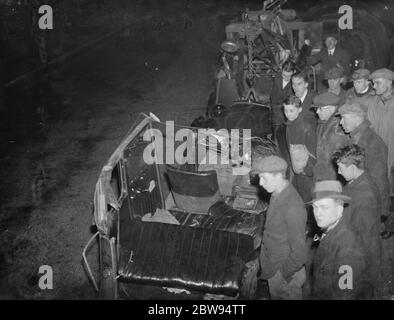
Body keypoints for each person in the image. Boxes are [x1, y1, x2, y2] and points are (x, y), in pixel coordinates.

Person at [252, 155, 307, 300]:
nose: (261, 183)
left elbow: (300, 254)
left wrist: (282, 274)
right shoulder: (277, 192)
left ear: (278, 176)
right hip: (272, 263)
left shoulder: (293, 207)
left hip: (283, 273)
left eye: (264, 178)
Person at [332, 144, 382, 298]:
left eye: (340, 167)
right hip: (354, 247)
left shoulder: (365, 194)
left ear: (352, 167)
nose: (338, 172)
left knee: (355, 291)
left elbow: (363, 235)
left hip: (358, 256)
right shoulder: (357, 182)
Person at [308, 180, 369, 299]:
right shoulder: (330, 229)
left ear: (340, 208)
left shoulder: (348, 246)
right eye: (315, 207)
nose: (318, 214)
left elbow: (346, 294)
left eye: (324, 207)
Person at [338, 102, 390, 224]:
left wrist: (382, 210)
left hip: (367, 204)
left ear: (356, 118)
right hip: (358, 198)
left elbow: (380, 179)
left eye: (344, 118)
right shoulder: (355, 137)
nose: (341, 122)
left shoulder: (372, 142)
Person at [365, 69, 394, 210]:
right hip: (378, 155)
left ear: (389, 82)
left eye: (377, 83)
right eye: (372, 83)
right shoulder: (373, 102)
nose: (374, 86)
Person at [282, 95, 317, 204]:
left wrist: (306, 171)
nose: (288, 114)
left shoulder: (306, 127)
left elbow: (313, 154)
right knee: (297, 196)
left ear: (300, 110)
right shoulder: (289, 125)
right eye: (285, 110)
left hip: (305, 172)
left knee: (306, 199)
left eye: (291, 111)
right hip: (295, 169)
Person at [311, 92, 348, 181]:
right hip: (322, 175)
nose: (317, 112)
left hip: (331, 179)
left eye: (320, 108)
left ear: (332, 109)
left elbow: (332, 163)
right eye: (316, 108)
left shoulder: (337, 131)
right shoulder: (322, 123)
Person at [270, 60, 296, 135]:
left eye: (288, 76)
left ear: (294, 72)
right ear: (281, 70)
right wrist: (274, 108)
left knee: (287, 132)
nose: (285, 78)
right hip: (276, 107)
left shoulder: (296, 82)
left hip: (288, 109)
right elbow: (273, 94)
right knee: (276, 131)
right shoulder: (278, 76)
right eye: (284, 75)